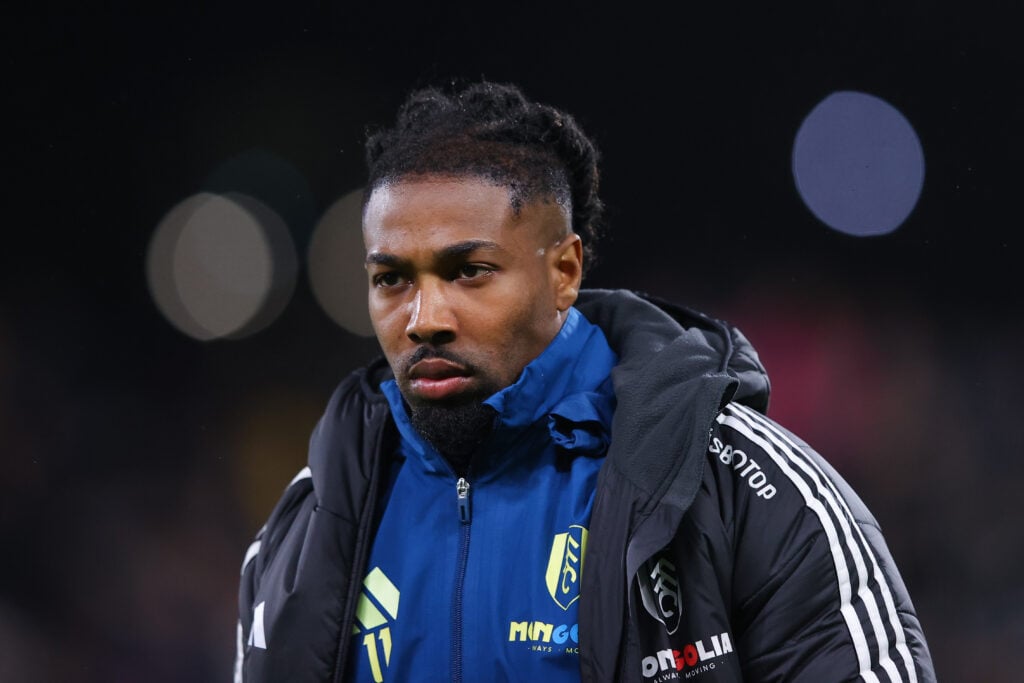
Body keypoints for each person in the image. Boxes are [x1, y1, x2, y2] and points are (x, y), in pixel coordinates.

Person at [235, 80, 934, 682]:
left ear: (563, 271)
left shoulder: (747, 490)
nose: (424, 319)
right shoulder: (309, 525)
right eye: (392, 279)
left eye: (468, 271)